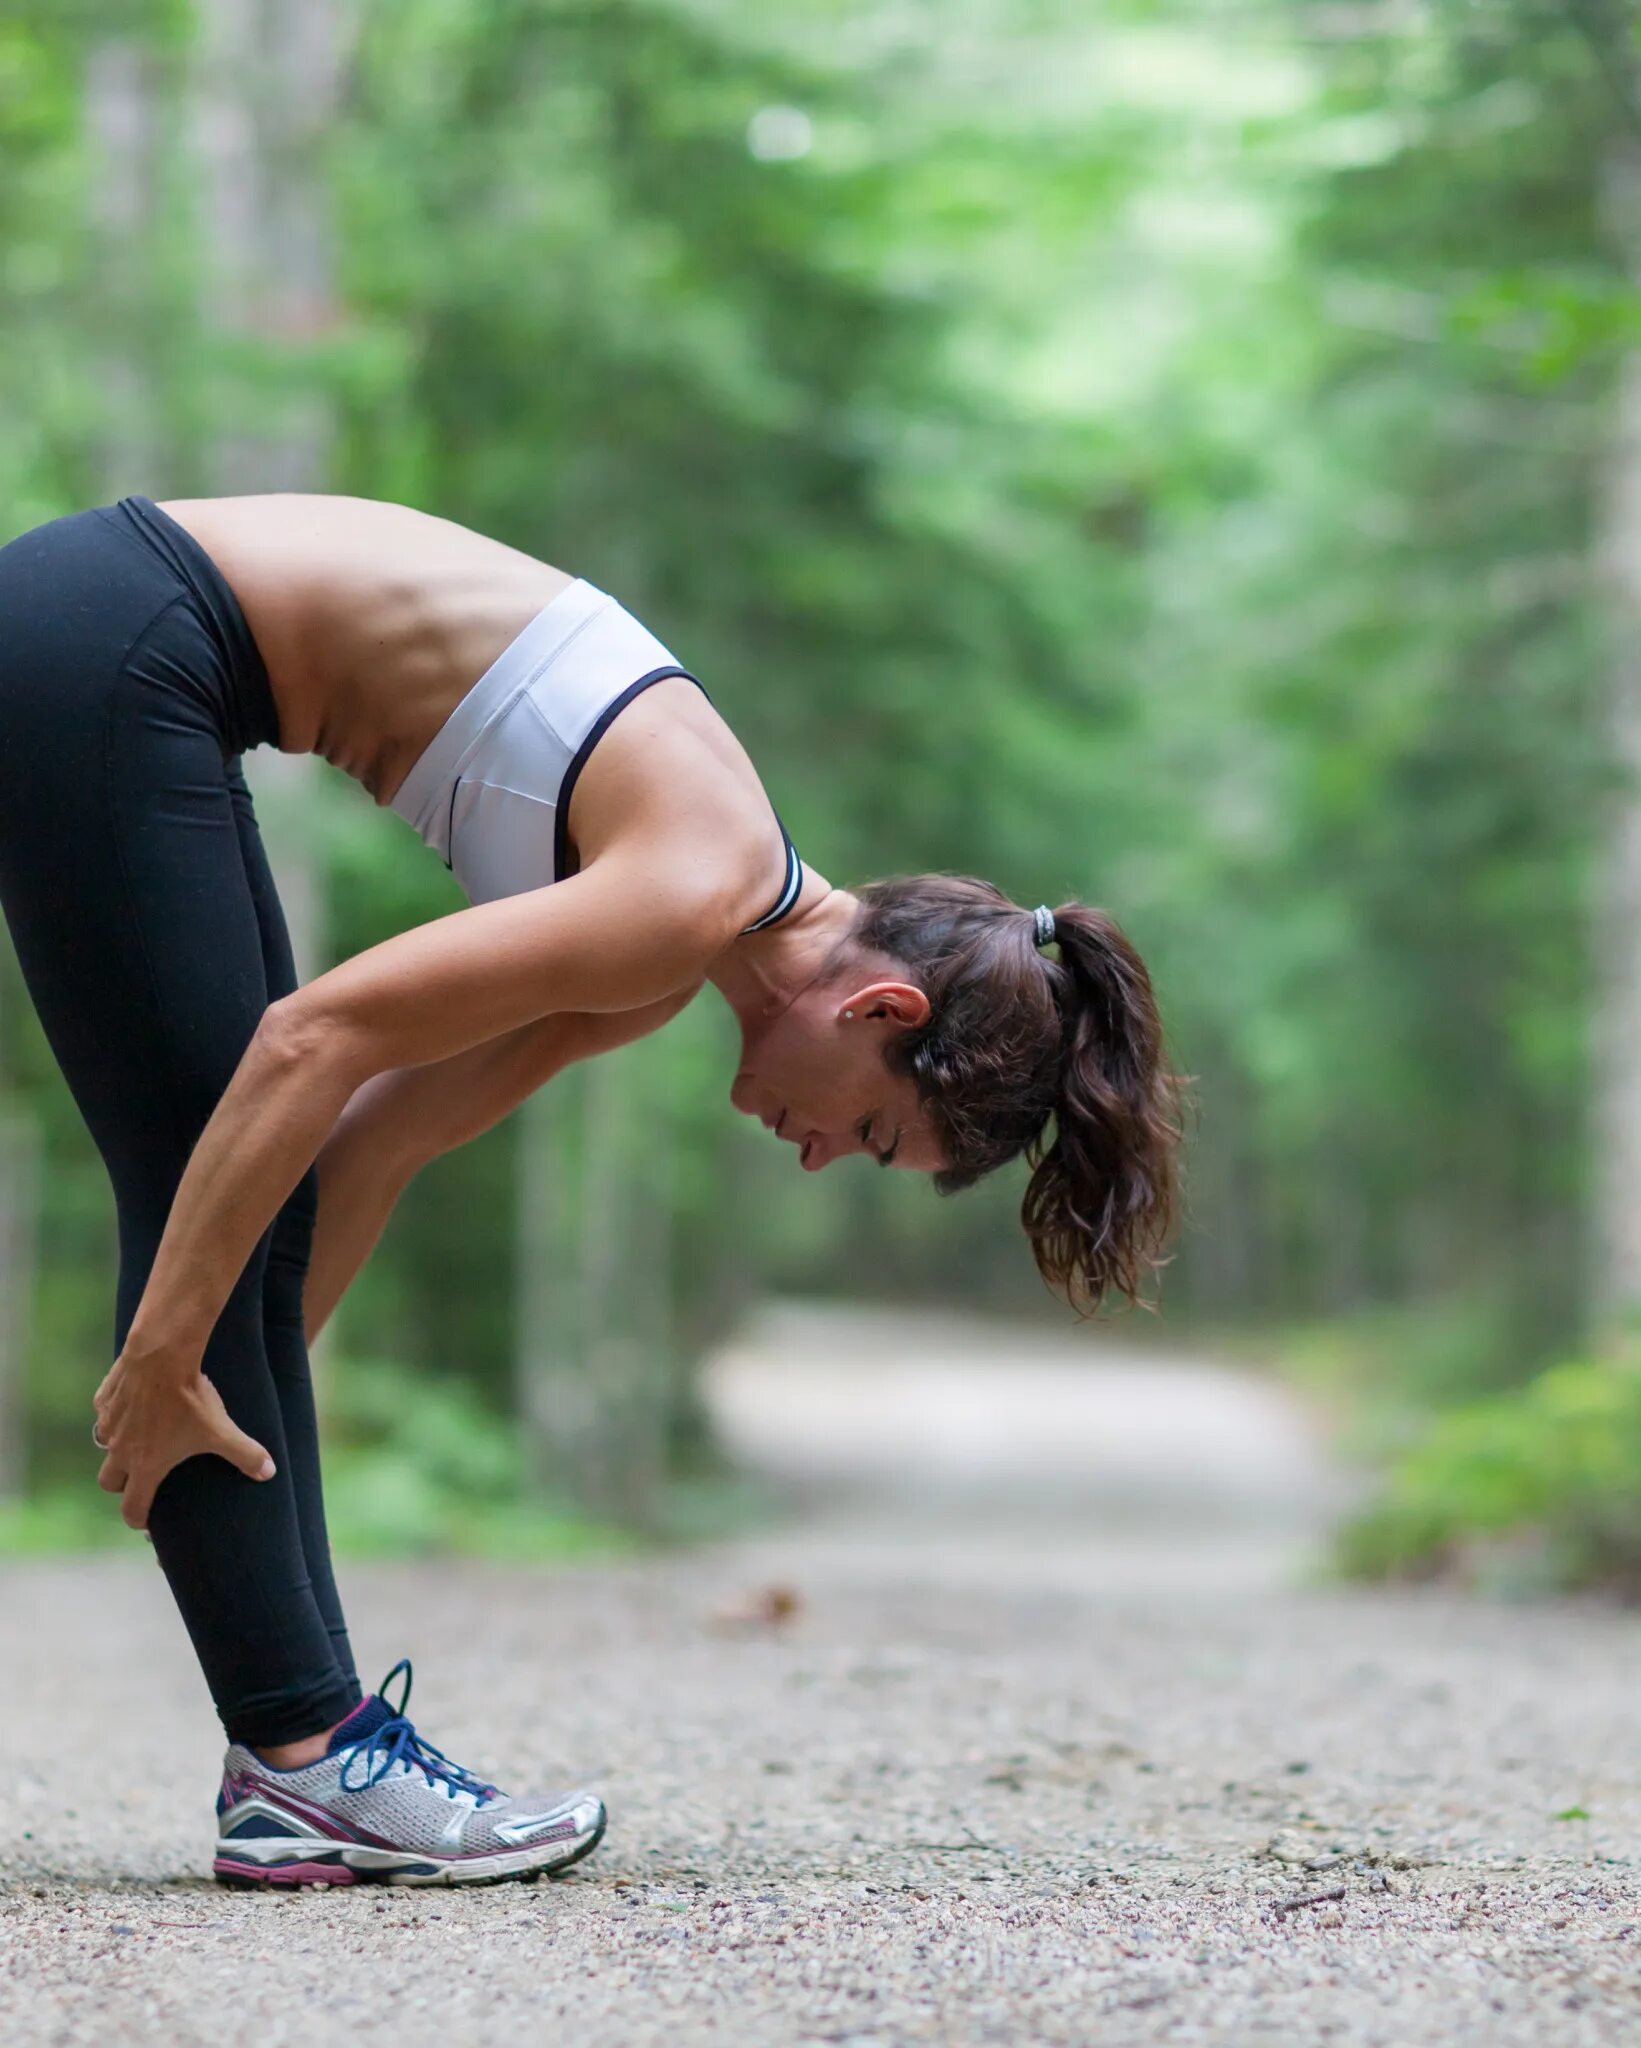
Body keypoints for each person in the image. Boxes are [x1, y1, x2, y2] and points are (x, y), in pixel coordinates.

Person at [0, 493, 1183, 1888]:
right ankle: (307, 1765)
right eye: (869, 1132)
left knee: (241, 1191)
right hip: (119, 633)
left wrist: (250, 1400)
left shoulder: (664, 956)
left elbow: (362, 1148)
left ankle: (309, 1763)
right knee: (206, 1161)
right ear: (880, 1006)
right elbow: (309, 1041)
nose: (813, 1153)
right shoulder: (686, 891)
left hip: (119, 643)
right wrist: (165, 1354)